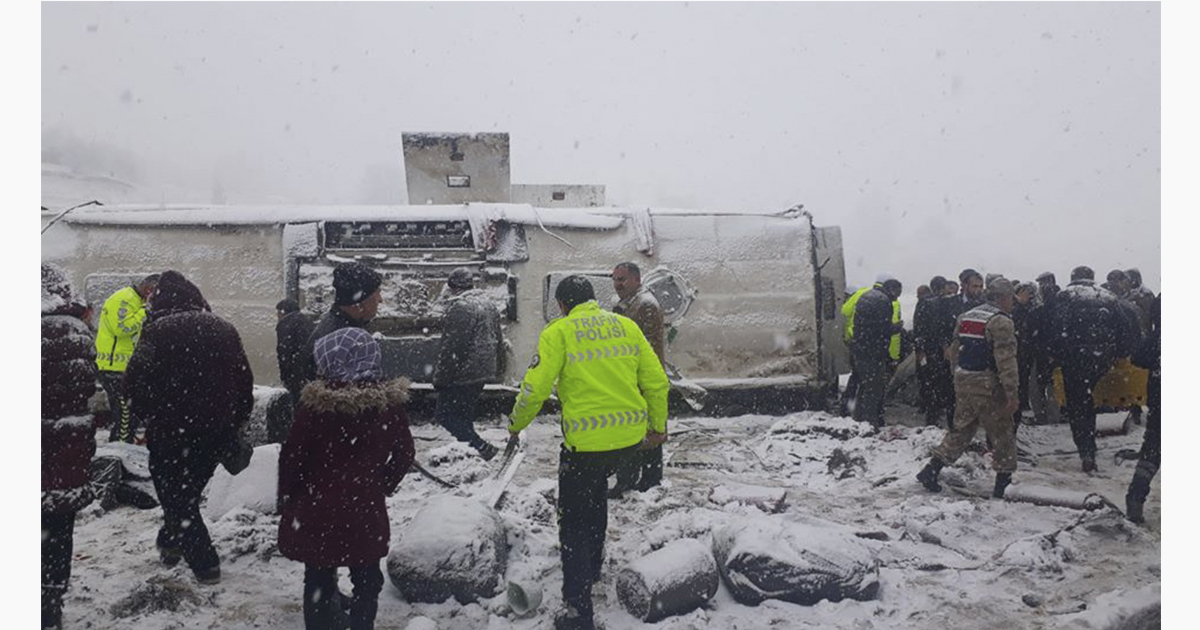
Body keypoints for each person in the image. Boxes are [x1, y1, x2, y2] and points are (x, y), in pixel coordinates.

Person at [506, 276, 670, 630]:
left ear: (562, 305)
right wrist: (657, 427)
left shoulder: (558, 332)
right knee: (596, 500)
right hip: (628, 441)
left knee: (574, 523)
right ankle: (593, 566)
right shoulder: (625, 325)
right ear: (592, 300)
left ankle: (577, 610)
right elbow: (657, 380)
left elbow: (534, 389)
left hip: (585, 447)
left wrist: (516, 423)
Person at [278, 327, 415, 630]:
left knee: (318, 578)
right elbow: (405, 453)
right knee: (367, 580)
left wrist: (290, 494)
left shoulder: (314, 408)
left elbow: (292, 457)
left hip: (316, 509)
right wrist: (382, 483)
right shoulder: (389, 407)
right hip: (365, 508)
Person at [125, 271, 254, 584]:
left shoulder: (156, 332)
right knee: (187, 495)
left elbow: (133, 383)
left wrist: (149, 415)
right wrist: (234, 422)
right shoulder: (224, 328)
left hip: (170, 433)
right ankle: (170, 543)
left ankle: (205, 564)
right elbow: (244, 382)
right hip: (215, 434)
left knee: (176, 498)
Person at [917, 278, 1020, 498]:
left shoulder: (968, 315)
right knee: (1002, 432)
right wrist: (1011, 393)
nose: (1012, 302)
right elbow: (1006, 361)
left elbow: (954, 350)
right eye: (1011, 298)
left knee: (962, 429)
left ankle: (932, 469)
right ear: (1003, 298)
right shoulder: (1001, 321)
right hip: (987, 383)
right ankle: (1003, 485)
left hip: (964, 379)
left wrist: (958, 375)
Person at [41, 264, 98, 630]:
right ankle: (49, 603)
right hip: (67, 451)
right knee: (57, 530)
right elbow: (86, 391)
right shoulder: (78, 331)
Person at [1047, 266, 1135, 472]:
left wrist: (1056, 356)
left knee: (1078, 405)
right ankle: (1090, 440)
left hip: (1074, 359)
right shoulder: (1108, 297)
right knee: (1090, 397)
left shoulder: (1065, 296)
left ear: (1072, 278)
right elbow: (1125, 328)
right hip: (1101, 359)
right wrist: (1118, 354)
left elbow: (1057, 328)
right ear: (1092, 278)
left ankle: (1086, 449)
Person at [433, 267, 505, 460]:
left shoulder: (461, 307)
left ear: (453, 287)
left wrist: (441, 378)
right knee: (464, 415)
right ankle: (472, 449)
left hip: (464, 373)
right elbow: (498, 338)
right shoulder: (488, 304)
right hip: (482, 370)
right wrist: (499, 368)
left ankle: (481, 446)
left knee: (444, 415)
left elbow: (453, 348)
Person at [609, 262, 667, 497]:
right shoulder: (629, 304)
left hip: (642, 377)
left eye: (622, 279)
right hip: (635, 376)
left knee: (642, 429)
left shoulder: (645, 305)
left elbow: (648, 349)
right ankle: (640, 479)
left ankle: (639, 480)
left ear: (637, 280)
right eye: (614, 279)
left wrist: (638, 378)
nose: (617, 284)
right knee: (639, 427)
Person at [95, 273, 158, 443]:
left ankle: (124, 444)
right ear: (149, 289)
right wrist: (144, 312)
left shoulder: (136, 301)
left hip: (124, 367)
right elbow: (121, 328)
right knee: (125, 413)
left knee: (130, 413)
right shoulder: (124, 299)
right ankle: (119, 448)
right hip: (113, 367)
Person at [303, 262, 384, 386]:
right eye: (377, 293)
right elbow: (352, 394)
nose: (380, 299)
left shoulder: (339, 327)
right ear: (361, 301)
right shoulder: (343, 338)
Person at [1125, 294, 1160, 524]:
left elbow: (1137, 357)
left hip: (1161, 400)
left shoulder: (1158, 338)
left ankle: (1135, 498)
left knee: (1153, 450)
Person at [851, 278, 903, 428]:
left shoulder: (867, 295)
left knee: (865, 386)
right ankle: (871, 421)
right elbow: (881, 329)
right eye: (897, 294)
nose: (897, 298)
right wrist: (896, 328)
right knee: (874, 388)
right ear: (892, 290)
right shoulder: (883, 301)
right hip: (873, 351)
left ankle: (859, 418)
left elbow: (869, 325)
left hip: (861, 348)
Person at [275, 298, 316, 441]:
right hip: (310, 372)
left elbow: (284, 351)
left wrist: (286, 375)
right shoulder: (306, 321)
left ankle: (298, 436)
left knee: (296, 405)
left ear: (283, 311)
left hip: (295, 373)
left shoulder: (285, 324)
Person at [913, 276, 948, 425]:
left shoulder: (927, 303)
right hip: (935, 348)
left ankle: (932, 412)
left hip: (932, 348)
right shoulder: (935, 303)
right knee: (935, 382)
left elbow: (918, 328)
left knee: (931, 381)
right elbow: (920, 328)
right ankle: (932, 416)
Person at [1011, 282, 1039, 429]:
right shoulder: (1015, 309)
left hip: (1028, 349)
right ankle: (1019, 406)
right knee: (1018, 379)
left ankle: (1023, 404)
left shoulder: (1032, 309)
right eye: (1024, 292)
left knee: (1026, 378)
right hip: (1018, 349)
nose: (1027, 295)